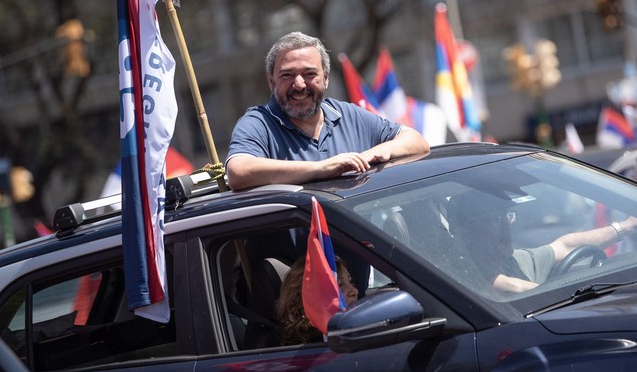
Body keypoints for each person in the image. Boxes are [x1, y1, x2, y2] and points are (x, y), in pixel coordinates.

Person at [225, 31, 430, 191]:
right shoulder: (257, 123)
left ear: (326, 78)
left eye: (309, 74)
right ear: (271, 82)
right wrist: (322, 168)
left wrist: (374, 154)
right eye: (287, 75)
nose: (299, 84)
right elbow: (238, 172)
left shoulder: (348, 115)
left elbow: (416, 141)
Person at [448, 192, 637, 293]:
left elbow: (565, 246)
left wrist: (625, 227)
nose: (507, 225)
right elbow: (503, 286)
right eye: (495, 219)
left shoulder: (515, 261)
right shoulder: (460, 277)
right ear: (467, 230)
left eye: (508, 215)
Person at [275, 256, 358, 346]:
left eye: (350, 282)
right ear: (310, 300)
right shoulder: (317, 349)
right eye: (340, 285)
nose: (354, 291)